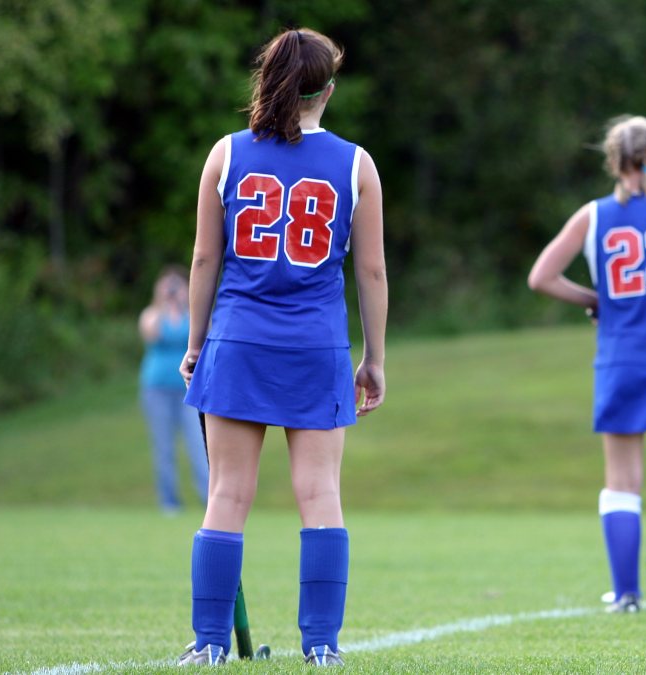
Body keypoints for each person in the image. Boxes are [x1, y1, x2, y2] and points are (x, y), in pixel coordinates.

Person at [177, 27, 387, 666]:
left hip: (237, 341)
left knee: (227, 497)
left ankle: (209, 644)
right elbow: (371, 272)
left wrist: (195, 344)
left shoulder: (227, 153)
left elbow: (205, 257)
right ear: (328, 88)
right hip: (315, 348)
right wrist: (374, 358)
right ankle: (321, 644)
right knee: (320, 494)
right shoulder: (356, 163)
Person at [528, 115, 646, 614]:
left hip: (621, 359)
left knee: (621, 481)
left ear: (613, 162)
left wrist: (596, 298)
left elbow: (541, 277)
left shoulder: (591, 217)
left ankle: (627, 596)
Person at [138, 265, 209, 514]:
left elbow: (204, 334)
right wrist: (162, 304)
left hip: (189, 389)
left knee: (199, 445)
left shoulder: (194, 315)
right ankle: (169, 502)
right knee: (164, 447)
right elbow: (150, 334)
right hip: (156, 390)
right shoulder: (152, 314)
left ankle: (209, 500)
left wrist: (186, 303)